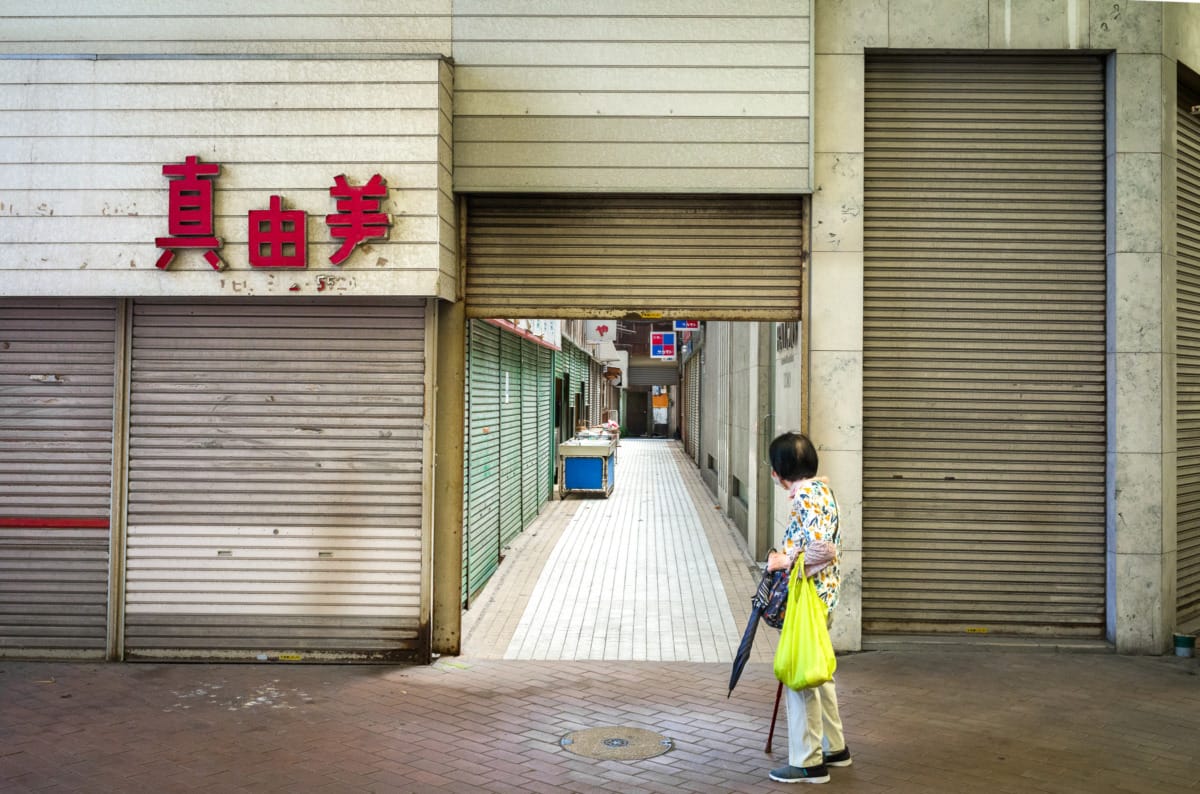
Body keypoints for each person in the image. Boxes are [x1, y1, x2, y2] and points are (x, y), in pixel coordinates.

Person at [764, 432, 850, 784]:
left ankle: (808, 762)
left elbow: (822, 549)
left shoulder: (807, 496)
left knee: (800, 676)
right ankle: (834, 748)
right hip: (822, 596)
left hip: (809, 598)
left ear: (779, 471)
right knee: (818, 671)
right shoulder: (820, 490)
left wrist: (784, 560)